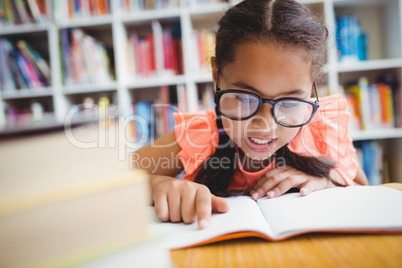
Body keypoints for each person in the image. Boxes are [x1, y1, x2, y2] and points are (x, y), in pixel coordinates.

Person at [133, 0, 369, 230]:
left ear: (311, 89)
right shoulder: (200, 136)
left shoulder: (321, 131)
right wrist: (158, 185)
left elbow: (362, 187)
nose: (265, 125)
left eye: (289, 103)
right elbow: (113, 181)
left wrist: (325, 182)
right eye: (245, 99)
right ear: (217, 75)